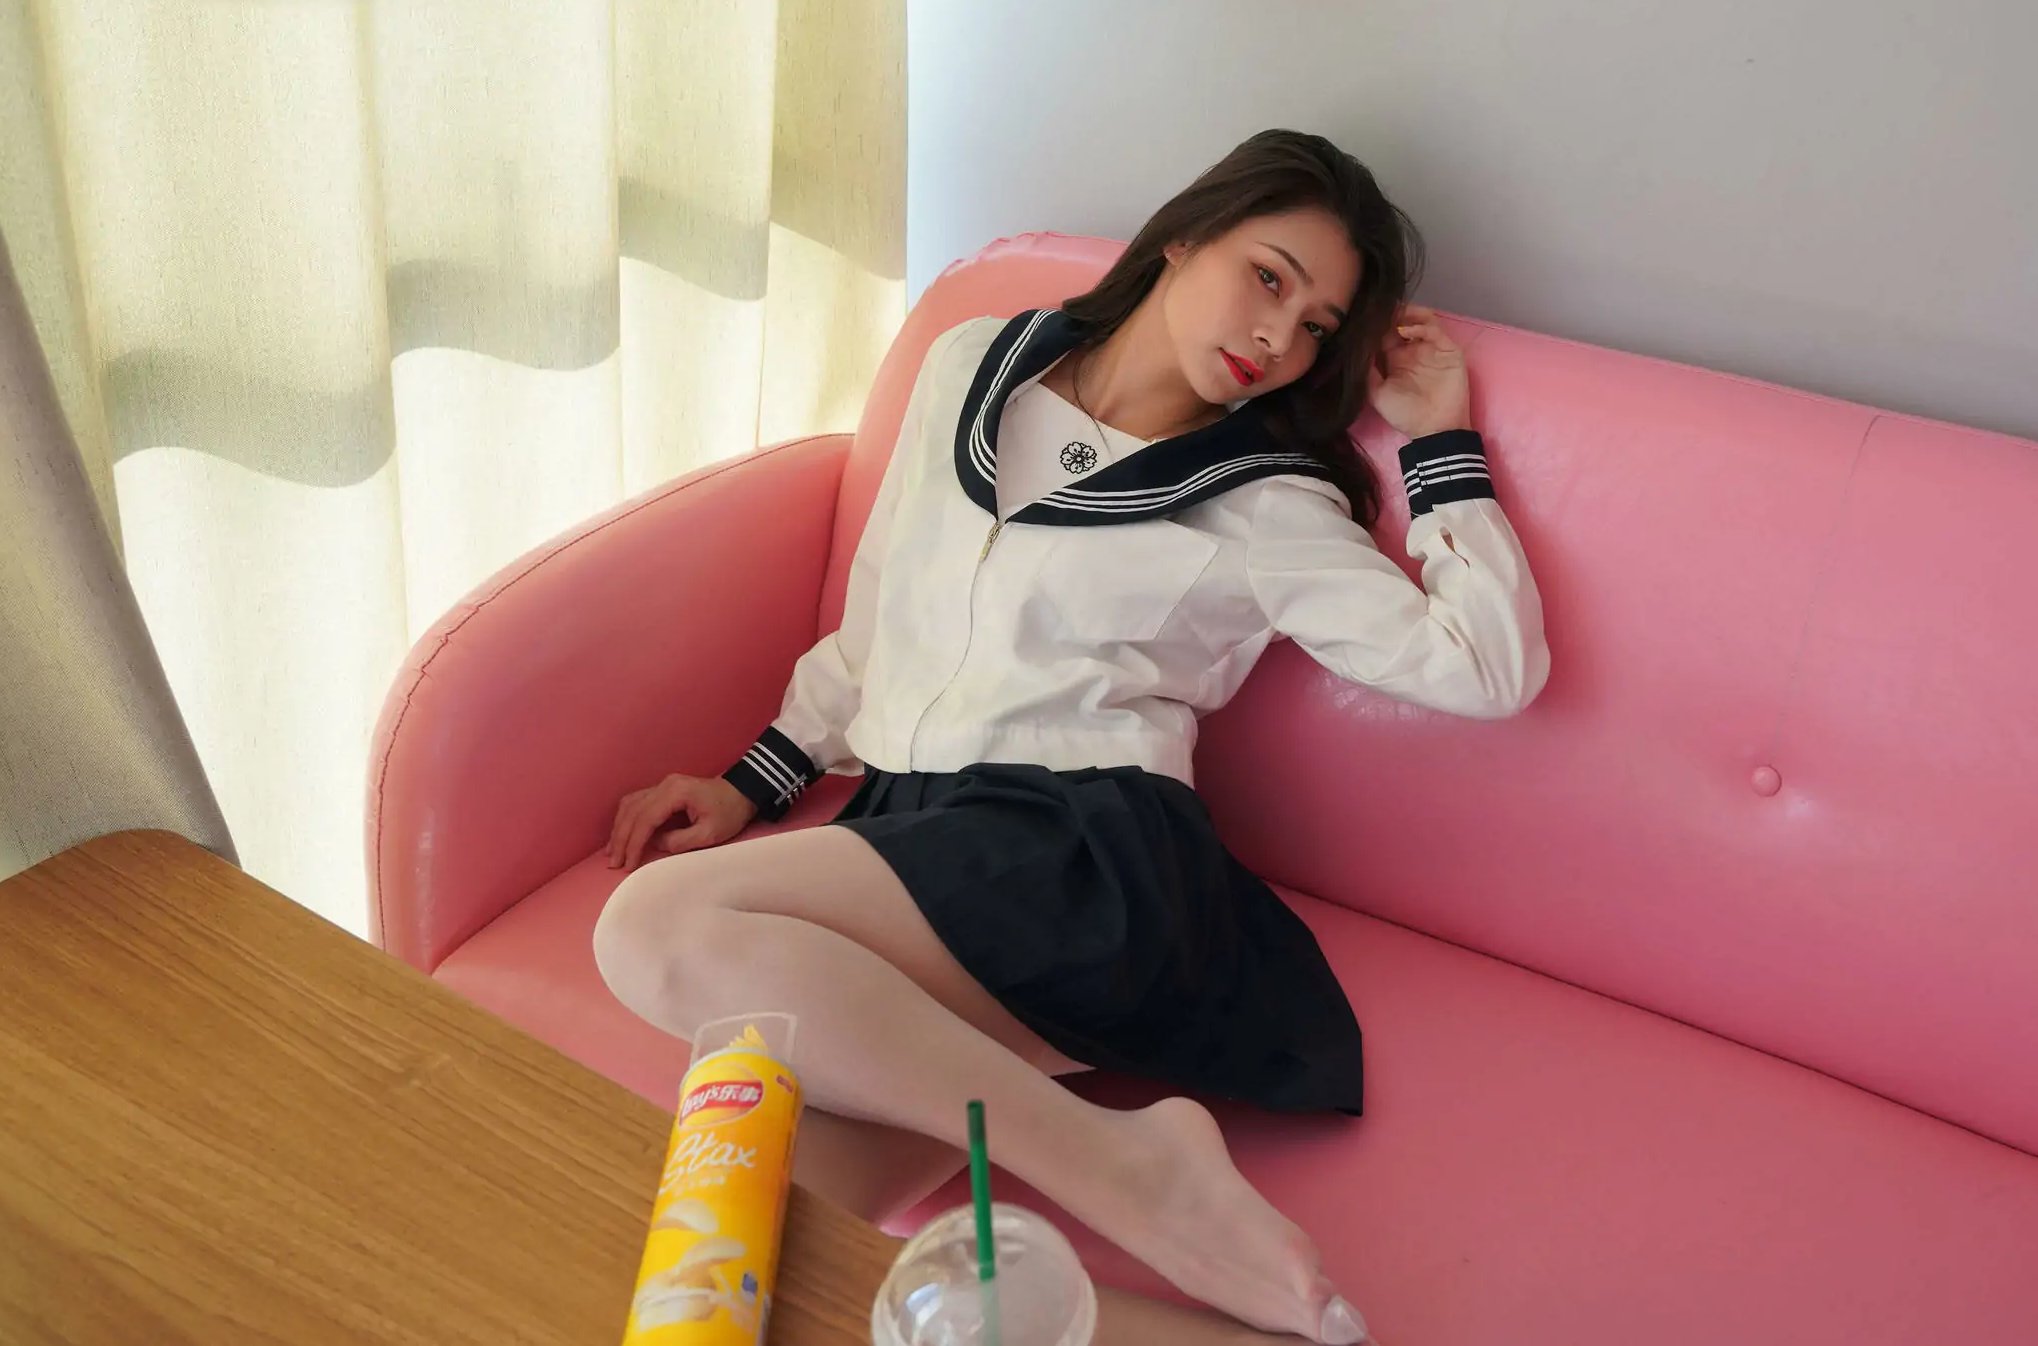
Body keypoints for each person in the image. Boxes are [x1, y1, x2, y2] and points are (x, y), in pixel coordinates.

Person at [593, 130, 1548, 1345]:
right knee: (780, 1232)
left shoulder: (1267, 502)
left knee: (649, 928)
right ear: (1183, 237)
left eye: (1315, 325)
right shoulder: (971, 364)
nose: (1277, 336)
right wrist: (758, 777)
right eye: (1267, 277)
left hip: (1084, 858)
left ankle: (1124, 1168)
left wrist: (1437, 441)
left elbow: (1488, 669)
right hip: (916, 838)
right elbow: (885, 609)